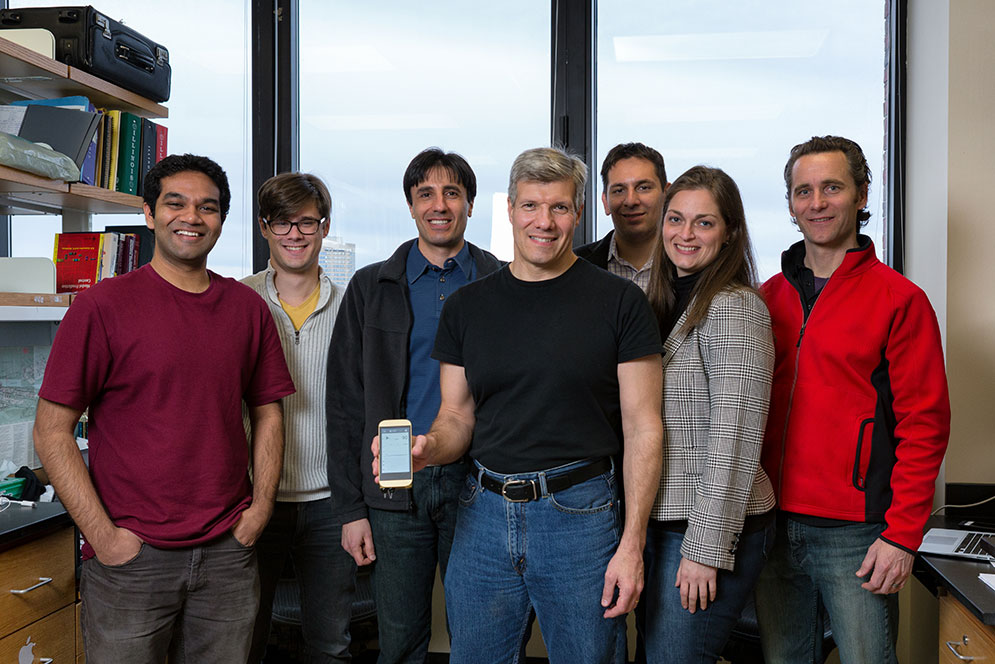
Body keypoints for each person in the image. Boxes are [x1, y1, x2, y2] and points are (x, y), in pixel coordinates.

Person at [389, 146, 664, 664]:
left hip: (581, 516)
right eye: (532, 206)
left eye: (560, 207)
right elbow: (455, 417)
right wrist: (428, 449)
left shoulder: (620, 302)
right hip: (483, 515)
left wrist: (631, 545)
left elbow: (644, 427)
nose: (545, 221)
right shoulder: (468, 306)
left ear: (579, 214)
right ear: (510, 208)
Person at [33, 154, 295, 663]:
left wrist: (260, 509)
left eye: (208, 207)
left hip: (227, 554)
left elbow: (268, 414)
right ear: (149, 214)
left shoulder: (247, 309)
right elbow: (51, 432)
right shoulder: (100, 308)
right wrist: (104, 538)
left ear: (221, 219)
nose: (192, 217)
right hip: (132, 560)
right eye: (175, 203)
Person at [755, 136, 950, 663]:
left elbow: (925, 426)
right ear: (792, 203)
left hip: (858, 534)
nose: (816, 202)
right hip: (770, 526)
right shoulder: (765, 298)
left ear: (862, 195)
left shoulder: (900, 300)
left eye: (832, 188)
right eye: (803, 191)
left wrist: (902, 535)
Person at [326, 148, 503, 663]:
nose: (439, 204)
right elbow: (344, 405)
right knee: (400, 640)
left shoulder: (500, 283)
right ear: (410, 205)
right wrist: (351, 510)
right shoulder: (370, 287)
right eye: (426, 193)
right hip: (393, 482)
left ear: (470, 203)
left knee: (483, 635)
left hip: (479, 482)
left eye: (452, 192)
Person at [638, 166, 776, 663]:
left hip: (702, 527)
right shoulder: (659, 300)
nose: (685, 234)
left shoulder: (734, 306)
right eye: (675, 220)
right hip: (658, 521)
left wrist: (705, 549)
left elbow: (735, 438)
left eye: (704, 223)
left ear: (730, 231)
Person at [242, 172, 355, 663]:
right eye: (282, 222)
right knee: (243, 638)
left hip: (331, 503)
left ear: (324, 228)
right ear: (264, 228)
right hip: (251, 499)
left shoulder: (352, 304)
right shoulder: (237, 301)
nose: (295, 234)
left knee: (330, 644)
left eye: (306, 222)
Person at [575, 142, 668, 291]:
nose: (631, 201)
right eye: (619, 190)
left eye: (643, 188)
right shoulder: (576, 267)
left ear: (666, 195)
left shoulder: (690, 262)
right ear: (605, 201)